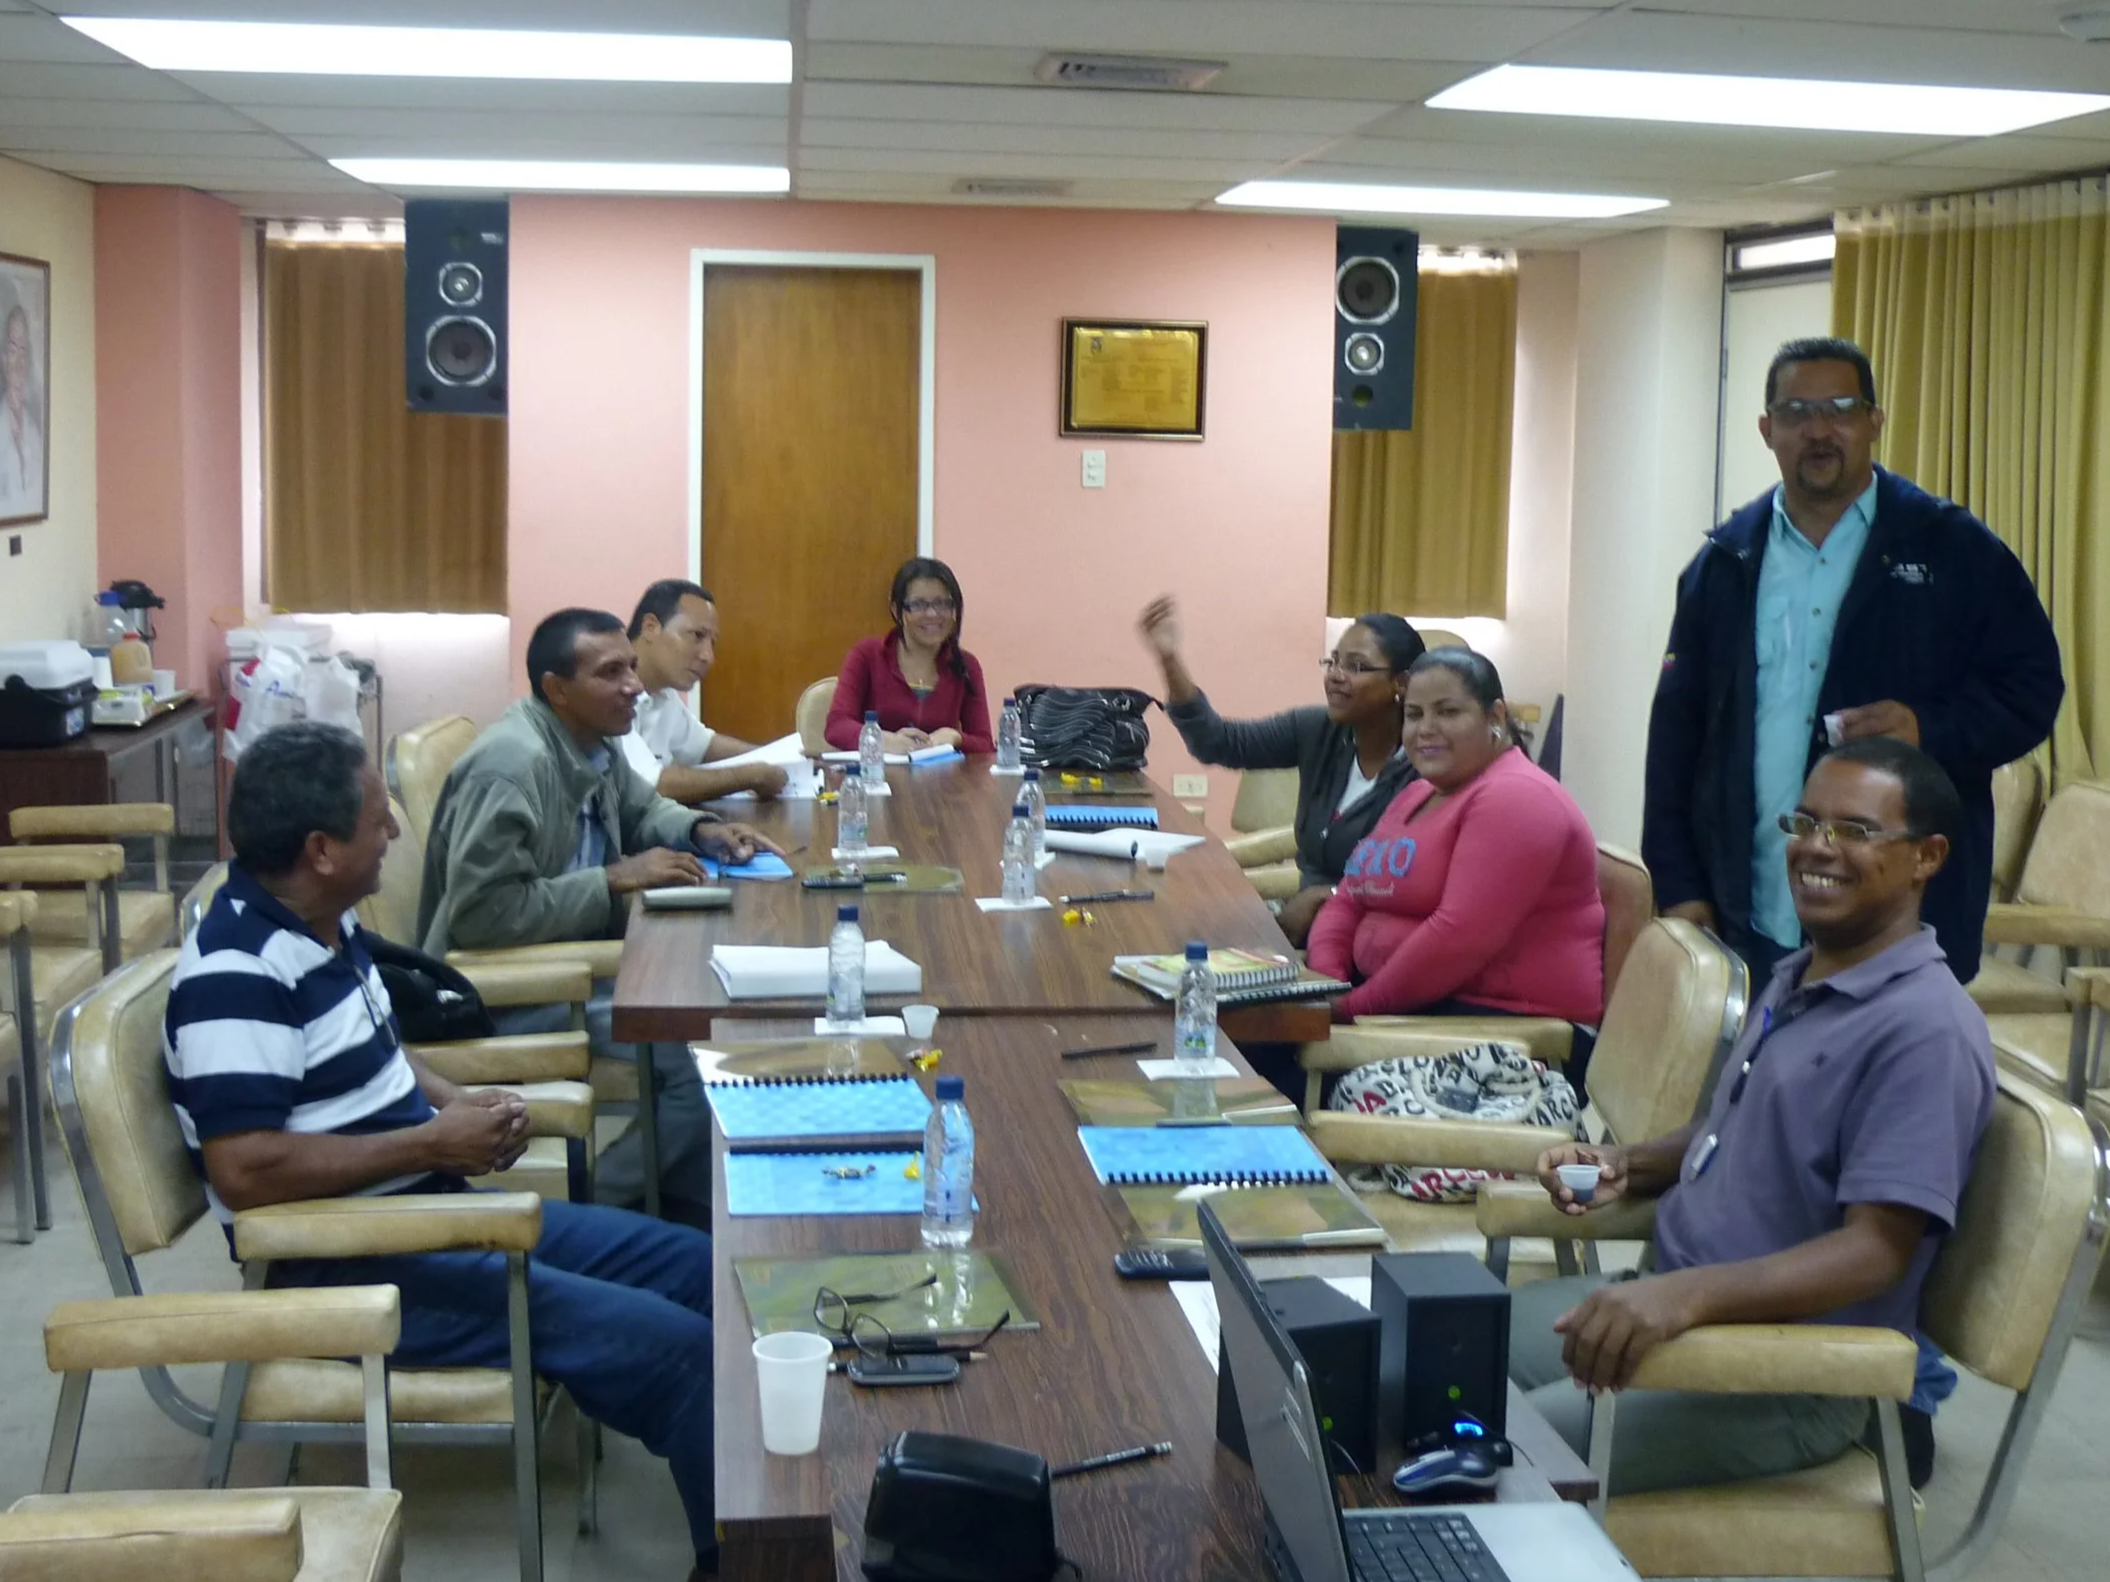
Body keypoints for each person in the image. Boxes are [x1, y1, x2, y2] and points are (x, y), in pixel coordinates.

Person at [166, 722, 722, 1581]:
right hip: (349, 1261)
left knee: (698, 1270)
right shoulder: (235, 973)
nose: (394, 833)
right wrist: (428, 1142)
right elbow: (245, 1173)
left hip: (429, 1207)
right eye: (378, 820)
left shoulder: (321, 923)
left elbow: (378, 1049)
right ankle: (746, 1562)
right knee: (681, 1353)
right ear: (320, 849)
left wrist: (453, 1102)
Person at [1516, 739, 1995, 1498]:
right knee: (1427, 1358)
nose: (1816, 848)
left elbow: (1875, 1252)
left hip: (1782, 1375)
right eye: (1806, 821)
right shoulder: (1803, 973)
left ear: (1927, 857)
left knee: (1493, 1451)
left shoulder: (1924, 1031)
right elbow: (1729, 1135)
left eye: (1856, 831)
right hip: (1677, 1303)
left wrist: (1685, 1298)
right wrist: (1626, 1164)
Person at [1644, 335, 2061, 988]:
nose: (1818, 430)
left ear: (1874, 422)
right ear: (1766, 429)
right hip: (1748, 911)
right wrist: (1678, 883)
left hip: (1900, 920)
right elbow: (1676, 737)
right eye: (1795, 413)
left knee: (1886, 1089)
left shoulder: (1953, 550)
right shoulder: (1723, 565)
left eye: (1840, 409)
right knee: (1753, 1088)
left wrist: (1929, 730)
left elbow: (2034, 689)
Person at [417, 607, 782, 1223]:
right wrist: (613, 879)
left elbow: (643, 811)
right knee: (702, 1055)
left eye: (631, 669)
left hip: (578, 959)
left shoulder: (593, 743)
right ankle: (605, 1214)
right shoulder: (514, 766)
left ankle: (678, 1207)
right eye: (610, 673)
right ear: (557, 689)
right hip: (510, 987)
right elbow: (483, 915)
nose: (634, 686)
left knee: (710, 1011)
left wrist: (703, 828)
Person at [1306, 648, 1604, 1052]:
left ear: (1495, 717)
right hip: (1401, 1010)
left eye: (1447, 712)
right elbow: (1348, 899)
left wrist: (1345, 1009)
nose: (1426, 729)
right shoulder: (1417, 792)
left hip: (1504, 1035)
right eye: (1414, 715)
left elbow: (1457, 940)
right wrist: (1327, 982)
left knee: (1253, 1055)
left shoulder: (1517, 798)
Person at [1138, 596, 1424, 947]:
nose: (1335, 676)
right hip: (1303, 929)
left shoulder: (1425, 767)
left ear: (1402, 682)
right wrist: (1169, 658)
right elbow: (1218, 742)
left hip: (1368, 943)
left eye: (1356, 667)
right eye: (1332, 662)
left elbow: (1416, 882)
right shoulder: (1318, 730)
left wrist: (1328, 896)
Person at [622, 577, 789, 803]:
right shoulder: (610, 692)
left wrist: (782, 757)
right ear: (651, 627)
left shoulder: (662, 692)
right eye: (697, 636)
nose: (708, 657)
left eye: (712, 643)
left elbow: (704, 746)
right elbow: (652, 785)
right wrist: (751, 775)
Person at [825, 556, 994, 754]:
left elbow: (985, 744)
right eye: (919, 605)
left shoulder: (967, 665)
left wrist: (955, 737)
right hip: (876, 779)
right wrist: (884, 740)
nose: (932, 614)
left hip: (940, 781)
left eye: (942, 604)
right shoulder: (867, 655)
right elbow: (836, 726)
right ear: (897, 611)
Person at [0, 302, 45, 516]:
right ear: (3, 358)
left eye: (23, 351)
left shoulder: (35, 434)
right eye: (12, 350)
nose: (18, 361)